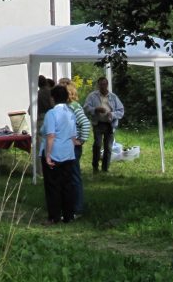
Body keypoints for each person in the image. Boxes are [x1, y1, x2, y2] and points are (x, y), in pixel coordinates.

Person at [40, 84, 77, 224]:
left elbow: (50, 135)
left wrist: (47, 155)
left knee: (53, 186)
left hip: (55, 152)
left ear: (52, 98)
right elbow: (74, 136)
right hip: (68, 152)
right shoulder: (70, 112)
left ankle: (54, 216)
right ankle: (68, 215)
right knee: (67, 185)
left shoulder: (51, 113)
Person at [59, 78, 90, 216]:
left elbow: (85, 123)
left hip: (73, 146)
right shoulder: (66, 107)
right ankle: (68, 206)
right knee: (67, 177)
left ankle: (77, 208)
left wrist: (80, 140)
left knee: (73, 177)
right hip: (66, 145)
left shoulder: (74, 107)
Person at [83, 76, 124, 173]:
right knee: (97, 145)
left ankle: (105, 168)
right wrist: (95, 109)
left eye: (105, 84)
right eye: (101, 84)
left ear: (107, 85)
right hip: (98, 123)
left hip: (110, 124)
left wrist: (112, 114)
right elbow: (85, 108)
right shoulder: (92, 96)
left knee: (108, 147)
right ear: (98, 85)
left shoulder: (113, 97)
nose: (103, 86)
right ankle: (95, 167)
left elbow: (121, 111)